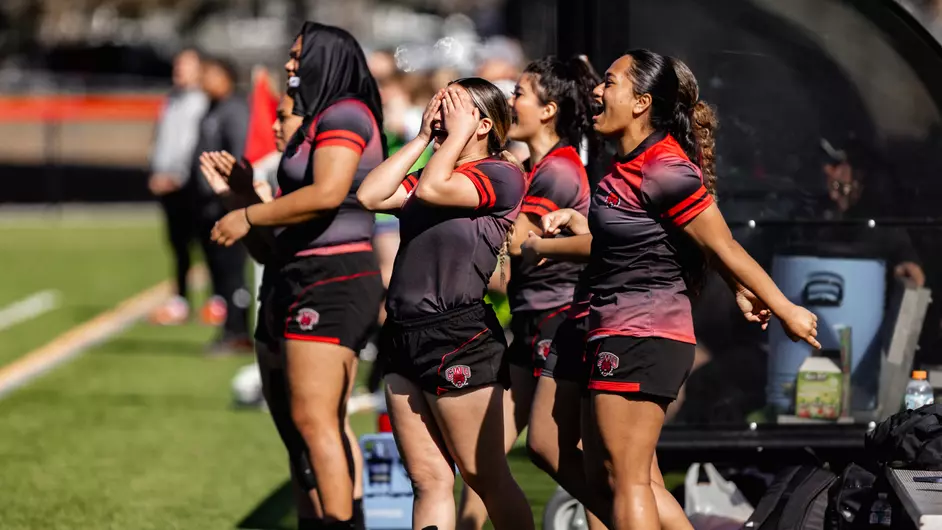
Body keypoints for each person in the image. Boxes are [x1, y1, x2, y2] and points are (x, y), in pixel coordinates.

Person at [522, 50, 820, 530]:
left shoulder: (666, 168)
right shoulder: (625, 165)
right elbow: (629, 242)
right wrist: (551, 243)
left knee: (628, 480)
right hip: (610, 323)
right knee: (607, 474)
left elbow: (724, 246)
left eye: (611, 82)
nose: (598, 90)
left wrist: (784, 307)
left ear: (641, 102)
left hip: (642, 332)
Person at [209, 22, 386, 529]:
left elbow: (329, 192)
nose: (289, 66)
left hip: (334, 277)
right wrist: (242, 194)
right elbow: (282, 228)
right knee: (295, 425)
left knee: (316, 419)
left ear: (326, 59)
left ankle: (343, 522)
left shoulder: (346, 113)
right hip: (295, 274)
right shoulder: (315, 121)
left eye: (297, 56)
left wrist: (249, 214)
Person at [357, 80, 534, 530]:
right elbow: (371, 196)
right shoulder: (433, 167)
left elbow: (436, 190)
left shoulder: (501, 174)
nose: (441, 108)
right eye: (440, 100)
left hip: (457, 336)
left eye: (453, 104)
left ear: (484, 124)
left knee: (484, 475)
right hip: (402, 335)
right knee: (428, 480)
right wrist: (421, 138)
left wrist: (454, 137)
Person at [454, 56, 598, 530]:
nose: (509, 102)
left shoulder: (558, 170)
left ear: (550, 110)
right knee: (483, 457)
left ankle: (622, 516)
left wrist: (497, 174)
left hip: (560, 324)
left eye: (519, 94)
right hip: (532, 323)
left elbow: (519, 243)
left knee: (564, 452)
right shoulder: (538, 166)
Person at [189, 54, 254, 352]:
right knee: (218, 271)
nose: (203, 81)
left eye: (209, 75)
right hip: (207, 202)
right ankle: (229, 328)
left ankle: (237, 330)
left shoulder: (235, 110)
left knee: (232, 271)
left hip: (226, 203)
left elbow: (239, 156)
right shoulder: (212, 108)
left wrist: (230, 196)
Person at [148, 48, 210, 326]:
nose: (179, 70)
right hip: (168, 184)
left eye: (185, 65)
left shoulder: (202, 101)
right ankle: (181, 300)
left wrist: (178, 174)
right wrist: (158, 171)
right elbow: (163, 139)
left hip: (191, 184)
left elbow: (194, 145)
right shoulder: (171, 99)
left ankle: (217, 300)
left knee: (207, 243)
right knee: (178, 245)